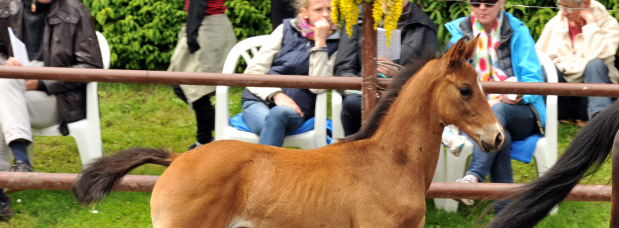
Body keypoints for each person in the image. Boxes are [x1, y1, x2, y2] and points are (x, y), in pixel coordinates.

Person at [0, 0, 103, 221]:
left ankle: (16, 167)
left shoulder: (75, 10)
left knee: (4, 86)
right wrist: (8, 65)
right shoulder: (6, 6)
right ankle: (14, 174)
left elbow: (92, 66)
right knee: (5, 83)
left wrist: (40, 82)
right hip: (13, 93)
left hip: (58, 98)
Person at [446, 0, 545, 212]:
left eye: (489, 2)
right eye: (476, 2)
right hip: (475, 112)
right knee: (502, 136)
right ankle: (505, 213)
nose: (482, 7)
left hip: (522, 110)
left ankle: (473, 178)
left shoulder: (518, 31)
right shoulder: (458, 34)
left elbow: (533, 80)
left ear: (502, 3)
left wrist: (518, 92)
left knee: (498, 112)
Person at [240, 0, 339, 147]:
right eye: (318, 10)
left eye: (330, 9)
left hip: (296, 110)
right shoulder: (285, 29)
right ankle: (266, 168)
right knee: (271, 124)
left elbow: (318, 86)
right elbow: (253, 71)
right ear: (304, 13)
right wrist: (276, 94)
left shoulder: (337, 43)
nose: (326, 14)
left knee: (277, 116)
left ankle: (260, 168)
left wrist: (320, 43)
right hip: (258, 99)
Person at [333, 0, 439, 136]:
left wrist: (397, 73)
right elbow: (343, 69)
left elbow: (431, 77)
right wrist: (367, 84)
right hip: (361, 96)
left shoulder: (424, 26)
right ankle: (355, 152)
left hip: (403, 100)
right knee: (353, 103)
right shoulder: (357, 19)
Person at [536, 0, 619, 124]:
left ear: (585, 4)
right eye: (561, 6)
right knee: (548, 69)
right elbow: (539, 57)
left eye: (568, 8)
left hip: (593, 94)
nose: (563, 12)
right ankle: (550, 115)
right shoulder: (555, 23)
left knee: (595, 64)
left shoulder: (609, 24)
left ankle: (600, 120)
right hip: (563, 97)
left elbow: (599, 55)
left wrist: (591, 24)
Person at [168, 0, 236, 150]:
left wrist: (191, 35)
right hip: (211, 25)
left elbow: (198, 2)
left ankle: (222, 127)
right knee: (196, 89)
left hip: (206, 26)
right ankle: (205, 138)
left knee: (187, 85)